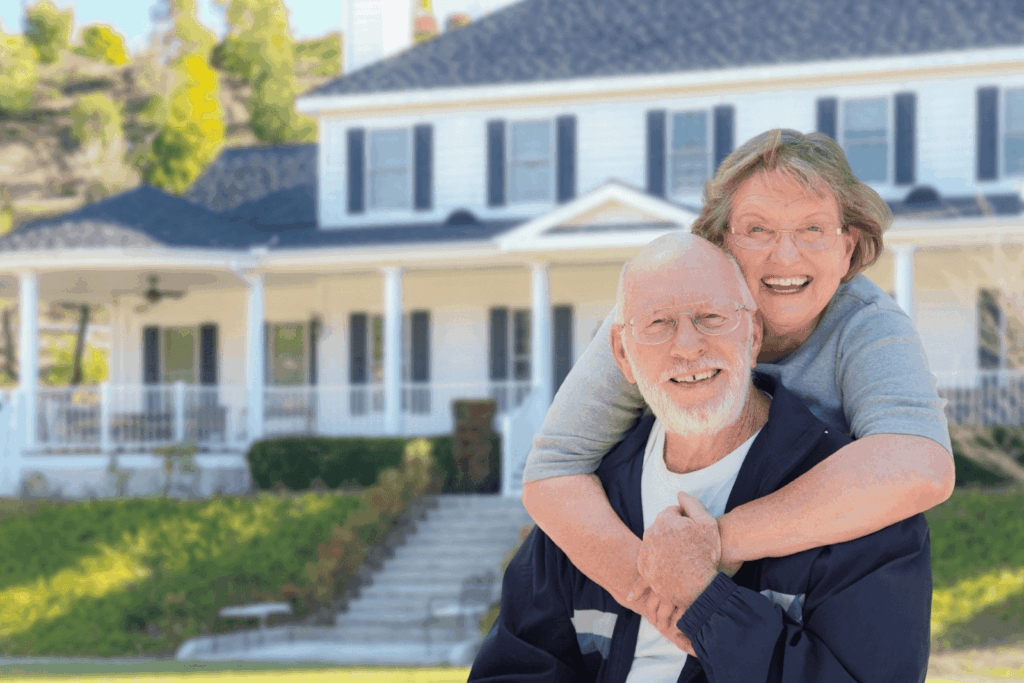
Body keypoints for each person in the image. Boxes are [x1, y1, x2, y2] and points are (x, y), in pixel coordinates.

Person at [520, 129, 952, 626]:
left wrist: (714, 542)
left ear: (848, 248)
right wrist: (654, 595)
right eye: (758, 230)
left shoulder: (867, 324)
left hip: (810, 584)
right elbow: (553, 468)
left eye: (812, 229)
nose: (785, 257)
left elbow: (922, 464)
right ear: (719, 242)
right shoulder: (653, 316)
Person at [469, 234, 931, 683]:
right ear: (622, 354)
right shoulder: (589, 508)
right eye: (658, 324)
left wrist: (709, 604)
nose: (687, 346)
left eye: (711, 317)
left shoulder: (858, 506)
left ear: (752, 334)